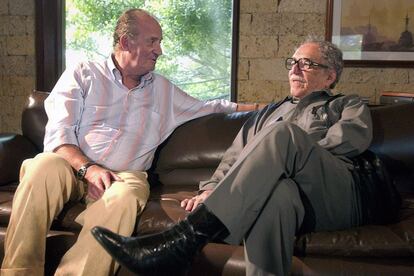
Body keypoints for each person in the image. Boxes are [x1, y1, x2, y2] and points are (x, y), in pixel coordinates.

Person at [91, 39, 400, 275]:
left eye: (306, 64)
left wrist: (291, 152)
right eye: (292, 62)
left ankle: (183, 242)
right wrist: (212, 189)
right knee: (278, 194)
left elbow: (350, 141)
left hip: (338, 191)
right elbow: (234, 156)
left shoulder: (347, 103)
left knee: (283, 137)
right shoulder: (266, 114)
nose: (294, 69)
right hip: (296, 196)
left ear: (330, 76)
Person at [1, 8, 259, 276]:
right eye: (153, 41)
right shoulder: (83, 73)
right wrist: (88, 169)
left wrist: (271, 107)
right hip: (70, 164)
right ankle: (18, 271)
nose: (160, 50)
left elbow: (216, 107)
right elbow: (59, 133)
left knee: (125, 198)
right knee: (42, 166)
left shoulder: (163, 90)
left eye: (160, 42)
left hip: (125, 176)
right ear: (126, 42)